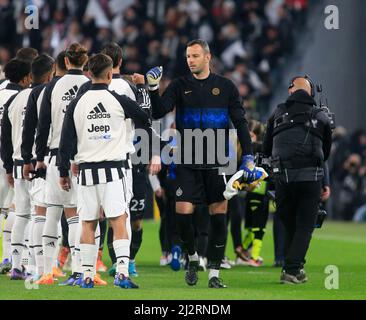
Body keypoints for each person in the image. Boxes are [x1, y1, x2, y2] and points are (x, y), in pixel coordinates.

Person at [147, 39, 261, 288]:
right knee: (183, 213)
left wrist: (249, 157)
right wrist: (153, 88)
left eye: (195, 56)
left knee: (218, 215)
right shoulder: (179, 85)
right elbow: (158, 112)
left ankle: (214, 273)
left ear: (208, 57)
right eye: (188, 56)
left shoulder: (226, 87)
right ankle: (192, 256)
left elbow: (241, 123)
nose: (190, 60)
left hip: (219, 161)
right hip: (187, 159)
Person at [58, 53, 152, 289]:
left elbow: (66, 141)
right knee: (118, 219)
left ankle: (87, 275)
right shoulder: (119, 100)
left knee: (88, 222)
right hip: (114, 170)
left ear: (89, 73)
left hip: (86, 173)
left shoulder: (77, 103)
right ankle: (121, 272)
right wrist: (142, 90)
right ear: (110, 74)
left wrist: (62, 171)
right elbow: (145, 118)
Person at [263, 75, 332, 284]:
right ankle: (291, 269)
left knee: (290, 223)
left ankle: (295, 267)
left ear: (291, 90)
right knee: (304, 225)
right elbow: (326, 152)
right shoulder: (320, 115)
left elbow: (266, 147)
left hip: (282, 177)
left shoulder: (277, 112)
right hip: (310, 178)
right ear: (311, 93)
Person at [35, 43, 89, 285]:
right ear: (84, 61)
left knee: (53, 213)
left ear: (66, 62)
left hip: (55, 155)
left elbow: (42, 124)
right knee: (79, 215)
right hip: (84, 157)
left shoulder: (52, 86)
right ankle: (80, 270)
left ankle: (47, 271)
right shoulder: (90, 85)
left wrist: (38, 157)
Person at [20, 54, 55, 281]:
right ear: (51, 72)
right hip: (51, 158)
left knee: (38, 212)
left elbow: (28, 129)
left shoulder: (34, 93)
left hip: (38, 159)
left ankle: (37, 267)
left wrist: (26, 158)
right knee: (49, 212)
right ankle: (42, 269)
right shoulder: (51, 91)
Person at [0, 58, 34, 279]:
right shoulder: (24, 98)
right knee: (20, 209)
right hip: (16, 158)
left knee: (9, 209)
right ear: (26, 77)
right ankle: (17, 260)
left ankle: (7, 258)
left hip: (7, 157)